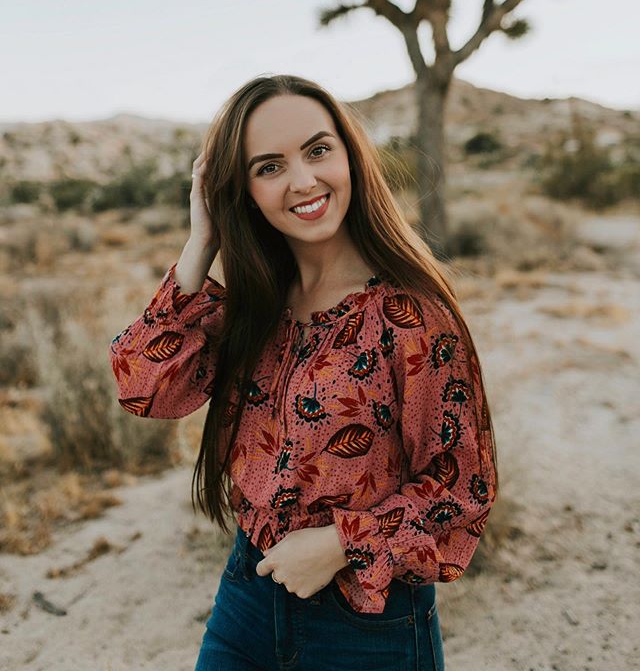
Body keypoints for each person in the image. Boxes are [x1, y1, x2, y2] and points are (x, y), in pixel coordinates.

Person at [109, 74, 499, 671]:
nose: (302, 181)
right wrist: (202, 240)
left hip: (365, 621)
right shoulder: (255, 305)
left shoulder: (409, 315)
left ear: (350, 156)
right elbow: (144, 387)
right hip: (246, 595)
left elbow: (462, 483)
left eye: (318, 150)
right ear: (242, 190)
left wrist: (341, 543)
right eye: (268, 167)